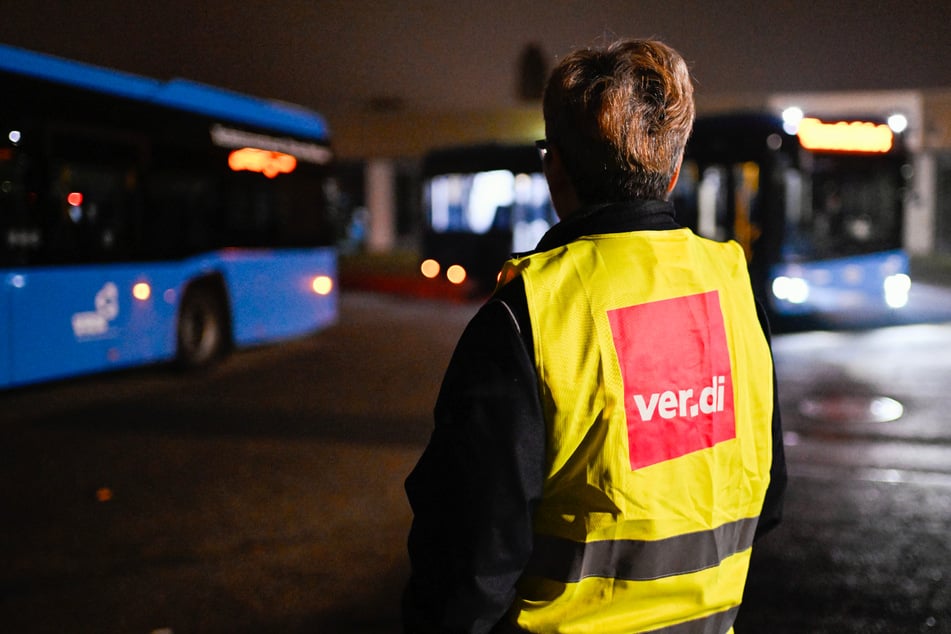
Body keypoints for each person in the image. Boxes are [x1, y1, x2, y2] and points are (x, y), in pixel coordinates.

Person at [403, 37, 786, 634]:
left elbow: (470, 559)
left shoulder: (528, 313)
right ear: (675, 168)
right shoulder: (735, 286)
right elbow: (769, 498)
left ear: (554, 164)